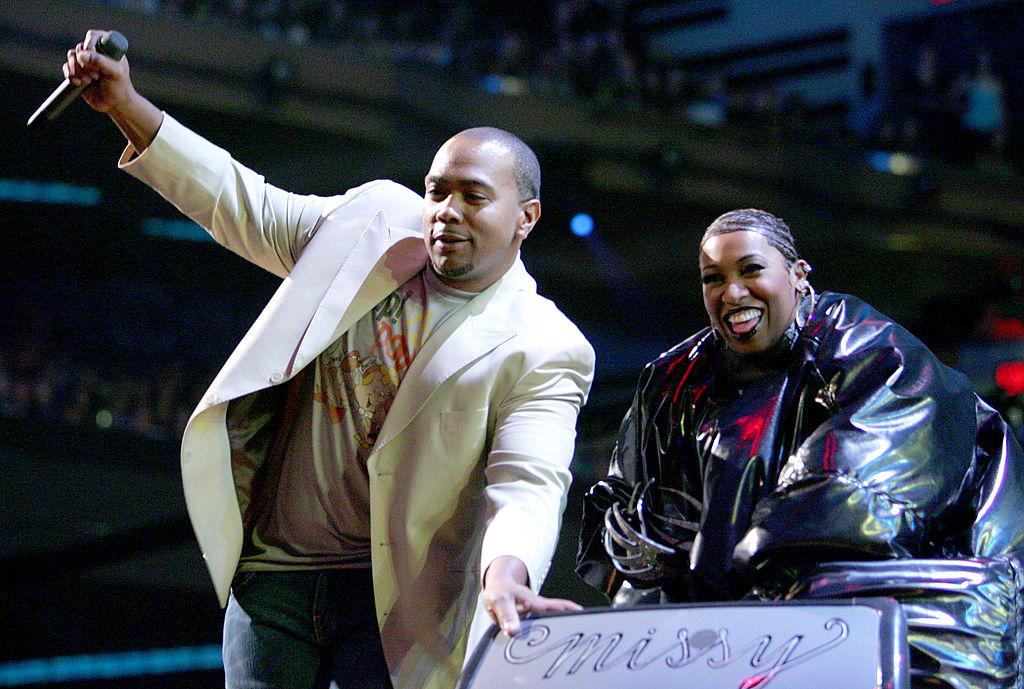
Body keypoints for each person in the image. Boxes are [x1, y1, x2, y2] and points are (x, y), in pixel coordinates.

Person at [64, 29, 595, 689]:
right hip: (273, 580)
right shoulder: (372, 222)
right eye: (437, 190)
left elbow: (527, 482)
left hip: (391, 603)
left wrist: (506, 571)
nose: (445, 212)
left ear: (527, 217)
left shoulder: (545, 343)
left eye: (474, 196)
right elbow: (246, 206)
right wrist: (127, 104)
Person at [577, 208, 1024, 689]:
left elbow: (854, 513)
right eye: (713, 279)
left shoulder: (874, 353)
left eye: (750, 270)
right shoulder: (674, 382)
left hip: (901, 640)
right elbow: (626, 512)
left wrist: (720, 564)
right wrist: (644, 554)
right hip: (736, 646)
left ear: (797, 274)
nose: (731, 292)